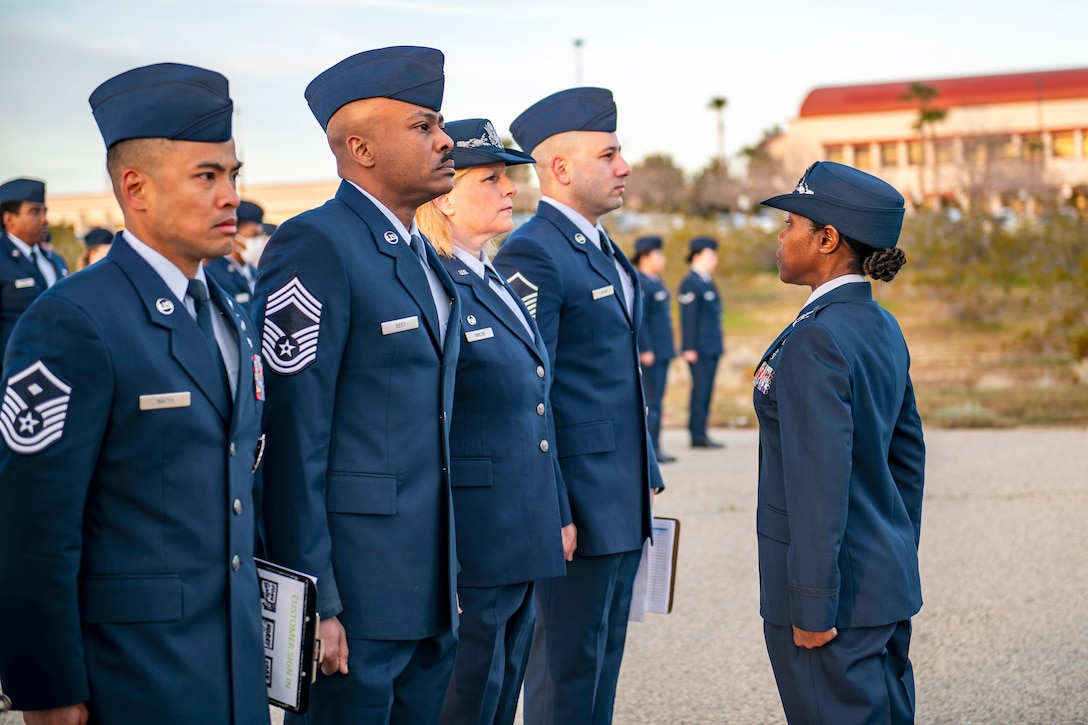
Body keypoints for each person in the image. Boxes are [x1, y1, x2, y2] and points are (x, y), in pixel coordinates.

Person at [0, 62, 269, 725]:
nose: (229, 195)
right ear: (136, 187)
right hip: (135, 672)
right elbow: (33, 525)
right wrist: (47, 685)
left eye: (232, 175)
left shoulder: (220, 310)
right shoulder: (74, 319)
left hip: (228, 661)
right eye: (207, 176)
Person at [253, 46, 462, 724]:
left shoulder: (420, 252)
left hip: (429, 589)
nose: (445, 139)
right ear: (362, 148)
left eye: (440, 123)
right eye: (423, 126)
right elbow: (292, 437)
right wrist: (316, 600)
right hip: (358, 596)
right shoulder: (317, 244)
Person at [493, 87, 659, 725]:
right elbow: (532, 392)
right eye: (609, 153)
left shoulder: (600, 247)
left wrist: (644, 479)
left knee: (599, 665)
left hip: (618, 499)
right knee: (565, 675)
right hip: (577, 512)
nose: (624, 166)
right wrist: (554, 509)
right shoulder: (535, 250)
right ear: (560, 169)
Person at [753, 161, 926, 724]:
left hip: (834, 601)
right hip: (880, 583)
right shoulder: (880, 325)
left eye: (791, 224)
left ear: (827, 239)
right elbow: (908, 463)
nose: (780, 237)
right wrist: (895, 554)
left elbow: (817, 482)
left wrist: (811, 601)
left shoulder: (817, 338)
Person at [415, 117, 573, 725]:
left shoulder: (494, 276)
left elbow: (535, 410)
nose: (511, 189)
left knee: (501, 697)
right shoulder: (435, 281)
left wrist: (555, 508)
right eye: (490, 178)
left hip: (519, 533)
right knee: (468, 700)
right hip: (474, 542)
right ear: (445, 198)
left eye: (509, 177)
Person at [0, 177, 68, 357]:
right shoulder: (3, 260)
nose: (44, 220)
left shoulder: (55, 261)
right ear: (9, 219)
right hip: (14, 369)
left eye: (45, 211)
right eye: (34, 212)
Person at [633, 235, 676, 463]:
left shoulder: (656, 282)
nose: (663, 260)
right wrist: (645, 348)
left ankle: (655, 447)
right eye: (658, 255)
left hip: (662, 350)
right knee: (651, 403)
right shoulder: (640, 283)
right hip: (651, 353)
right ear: (645, 257)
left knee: (657, 401)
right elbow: (641, 319)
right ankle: (651, 451)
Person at [678, 235, 724, 448]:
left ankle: (702, 432)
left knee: (707, 391)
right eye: (710, 256)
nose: (714, 260)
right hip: (698, 349)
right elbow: (688, 318)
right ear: (697, 257)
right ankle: (696, 434)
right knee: (700, 390)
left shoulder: (707, 282)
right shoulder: (691, 283)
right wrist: (688, 347)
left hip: (711, 347)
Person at [205, 199, 265, 310]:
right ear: (234, 234)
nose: (258, 241)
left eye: (260, 235)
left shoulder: (254, 272)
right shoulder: (214, 274)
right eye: (253, 235)